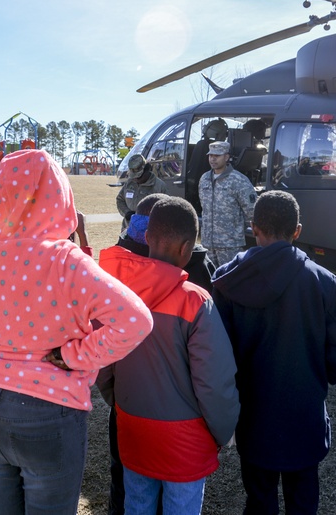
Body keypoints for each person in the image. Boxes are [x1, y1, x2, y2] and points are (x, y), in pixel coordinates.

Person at [0, 149, 154, 515]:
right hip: (50, 412)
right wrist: (76, 356)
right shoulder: (67, 261)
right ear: (60, 194)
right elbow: (136, 321)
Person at [211, 190, 336, 515]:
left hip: (252, 420)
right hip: (304, 417)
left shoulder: (227, 281)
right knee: (303, 501)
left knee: (259, 500)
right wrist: (314, 368)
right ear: (298, 231)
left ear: (254, 227)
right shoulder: (322, 281)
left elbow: (216, 356)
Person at [97, 196, 239, 515]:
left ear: (146, 238)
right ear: (188, 248)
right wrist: (223, 431)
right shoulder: (196, 302)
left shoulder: (116, 292)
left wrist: (120, 405)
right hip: (185, 442)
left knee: (137, 505)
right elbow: (214, 383)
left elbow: (103, 366)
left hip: (132, 429)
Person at [198, 140, 256, 269]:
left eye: (217, 156)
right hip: (208, 244)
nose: (212, 159)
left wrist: (236, 230)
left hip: (230, 245)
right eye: (210, 155)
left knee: (231, 280)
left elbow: (252, 212)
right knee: (209, 281)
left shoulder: (238, 180)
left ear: (227, 157)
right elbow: (205, 208)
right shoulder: (204, 179)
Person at [116, 154, 168, 231]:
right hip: (128, 229)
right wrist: (127, 213)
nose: (136, 179)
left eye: (139, 176)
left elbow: (166, 210)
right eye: (134, 176)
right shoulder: (129, 183)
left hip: (149, 232)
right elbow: (120, 199)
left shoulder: (159, 186)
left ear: (147, 170)